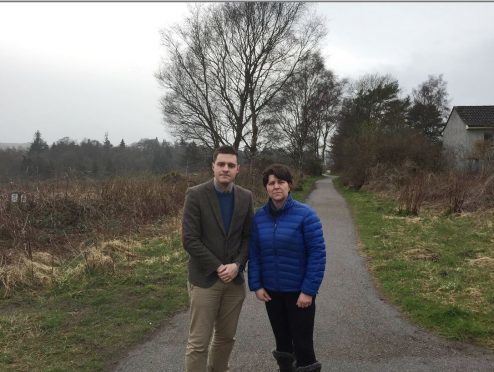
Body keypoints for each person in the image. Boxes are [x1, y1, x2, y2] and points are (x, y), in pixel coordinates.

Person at [182, 145, 254, 372]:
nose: (225, 169)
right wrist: (218, 266)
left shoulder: (245, 197)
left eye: (230, 165)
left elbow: (248, 237)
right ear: (212, 166)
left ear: (238, 169)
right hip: (204, 280)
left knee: (226, 339)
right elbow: (190, 240)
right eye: (221, 164)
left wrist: (238, 265)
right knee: (198, 344)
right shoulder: (195, 194)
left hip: (234, 282)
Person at [248, 164, 326, 372]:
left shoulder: (306, 215)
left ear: (289, 185)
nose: (276, 187)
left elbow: (317, 255)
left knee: (303, 346)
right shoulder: (259, 218)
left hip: (299, 294)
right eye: (271, 183)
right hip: (271, 293)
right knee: (282, 344)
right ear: (266, 188)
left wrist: (308, 291)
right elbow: (254, 253)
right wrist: (256, 285)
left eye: (281, 182)